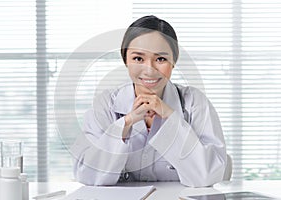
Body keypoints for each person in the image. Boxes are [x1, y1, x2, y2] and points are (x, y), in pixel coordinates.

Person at [71, 15, 227, 187]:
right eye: (138, 58)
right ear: (125, 60)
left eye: (161, 59)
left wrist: (169, 116)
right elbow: (87, 174)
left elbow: (207, 175)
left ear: (173, 61)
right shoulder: (107, 104)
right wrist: (127, 122)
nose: (149, 70)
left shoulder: (194, 103)